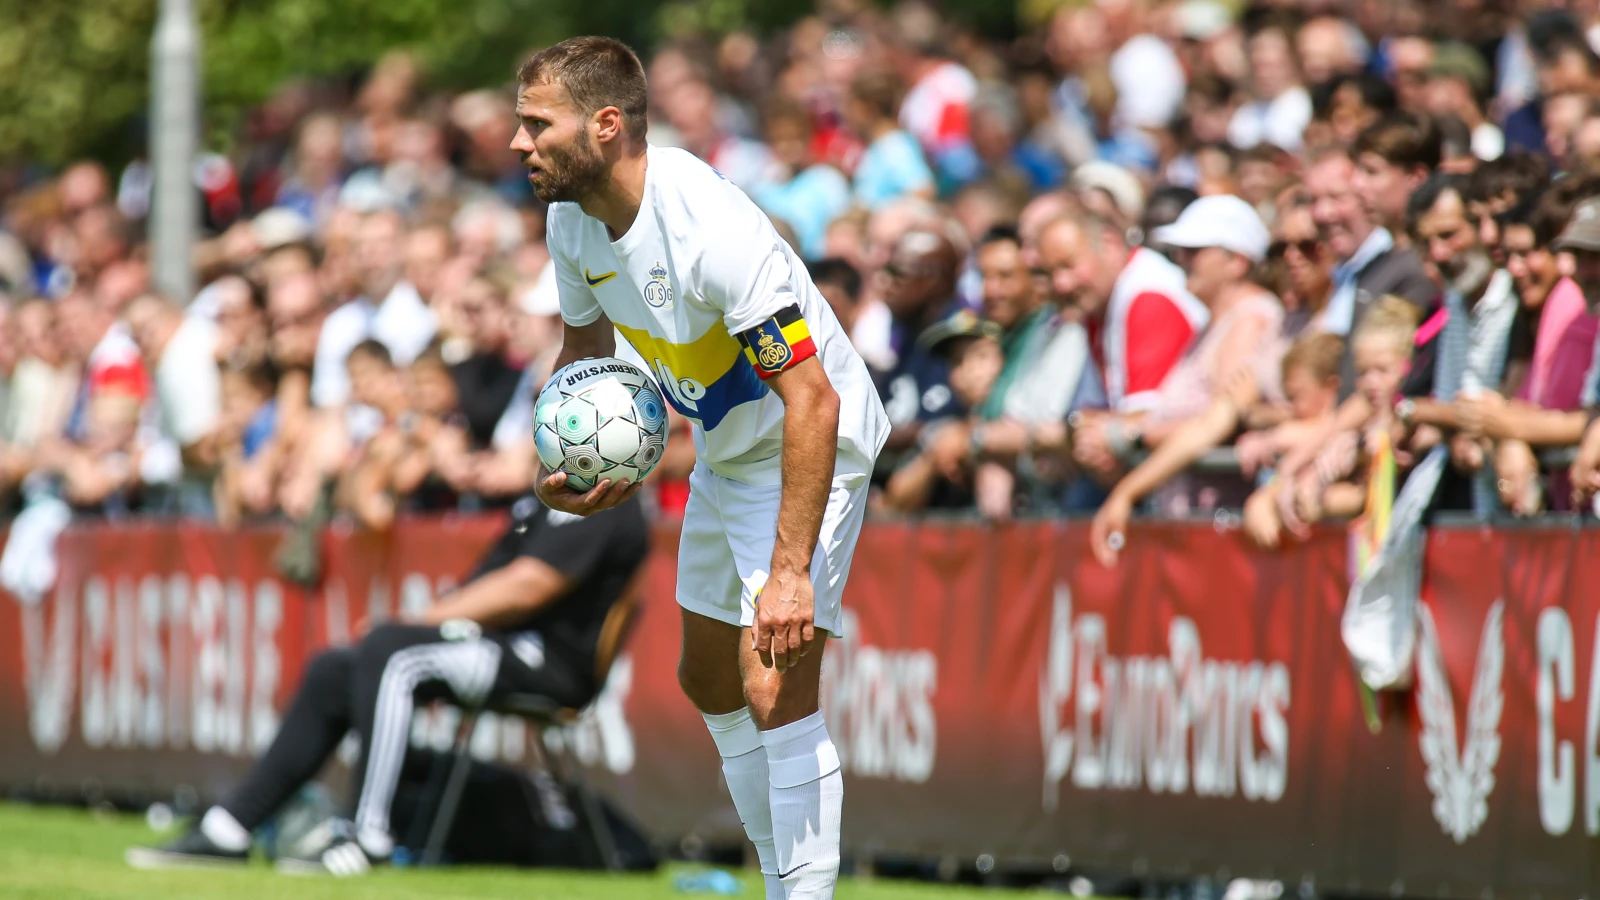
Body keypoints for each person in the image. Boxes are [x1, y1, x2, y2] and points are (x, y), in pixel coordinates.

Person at [511, 37, 889, 899]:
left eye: (537, 124)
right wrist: (572, 457)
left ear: (606, 126)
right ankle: (779, 874)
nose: (518, 143)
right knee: (707, 676)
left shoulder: (710, 229)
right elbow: (584, 359)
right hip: (731, 446)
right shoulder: (571, 221)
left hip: (812, 439)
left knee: (773, 683)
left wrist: (790, 574)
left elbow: (814, 400)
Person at [126, 491, 650, 874]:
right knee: (337, 669)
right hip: (495, 648)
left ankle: (369, 835)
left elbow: (528, 586)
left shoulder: (611, 500)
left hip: (545, 665)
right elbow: (493, 583)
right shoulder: (546, 496)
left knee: (390, 649)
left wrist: (422, 621)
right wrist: (424, 624)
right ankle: (230, 828)